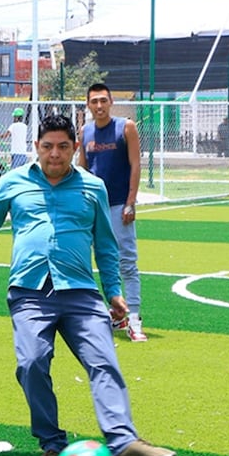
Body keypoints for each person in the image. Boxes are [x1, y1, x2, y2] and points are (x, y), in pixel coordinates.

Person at [0, 113, 175, 456]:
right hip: (29, 292)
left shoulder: (93, 187)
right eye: (47, 147)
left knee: (103, 360)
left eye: (61, 147)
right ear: (36, 147)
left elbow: (105, 244)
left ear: (74, 148)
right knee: (32, 363)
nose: (54, 154)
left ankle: (123, 442)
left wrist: (114, 291)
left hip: (81, 293)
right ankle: (52, 445)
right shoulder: (13, 182)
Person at [78, 83, 147, 342]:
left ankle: (135, 319)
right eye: (94, 101)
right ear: (88, 104)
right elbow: (83, 170)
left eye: (103, 100)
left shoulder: (126, 127)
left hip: (119, 205)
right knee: (100, 262)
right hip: (94, 208)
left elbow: (135, 164)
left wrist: (130, 202)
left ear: (111, 102)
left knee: (127, 262)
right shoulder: (85, 132)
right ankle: (116, 314)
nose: (99, 106)